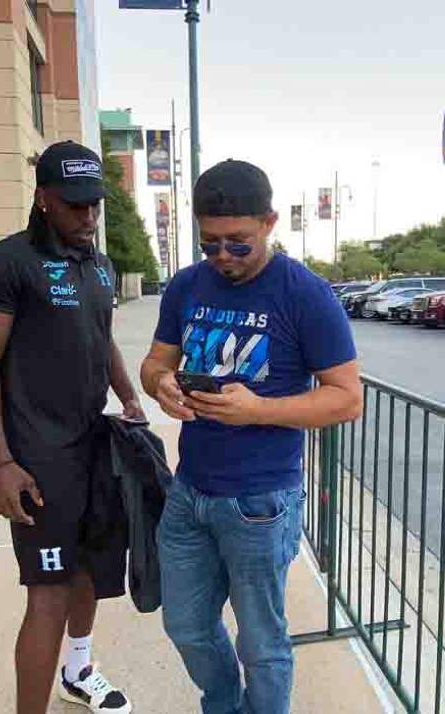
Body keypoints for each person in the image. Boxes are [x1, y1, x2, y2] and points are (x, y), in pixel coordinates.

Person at [139, 160, 363, 714]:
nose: (222, 257)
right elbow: (153, 364)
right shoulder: (188, 284)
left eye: (237, 243)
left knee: (262, 643)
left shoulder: (305, 293)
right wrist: (162, 384)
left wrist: (259, 408)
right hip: (189, 491)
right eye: (210, 243)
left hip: (261, 500)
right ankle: (224, 705)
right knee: (186, 626)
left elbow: (346, 397)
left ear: (267, 222)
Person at [0, 140, 142, 714]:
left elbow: (103, 335)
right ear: (44, 199)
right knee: (48, 594)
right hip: (38, 455)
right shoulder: (9, 262)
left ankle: (79, 668)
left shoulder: (98, 261)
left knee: (90, 571)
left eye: (94, 205)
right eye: (75, 206)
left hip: (94, 444)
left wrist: (128, 396)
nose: (88, 216)